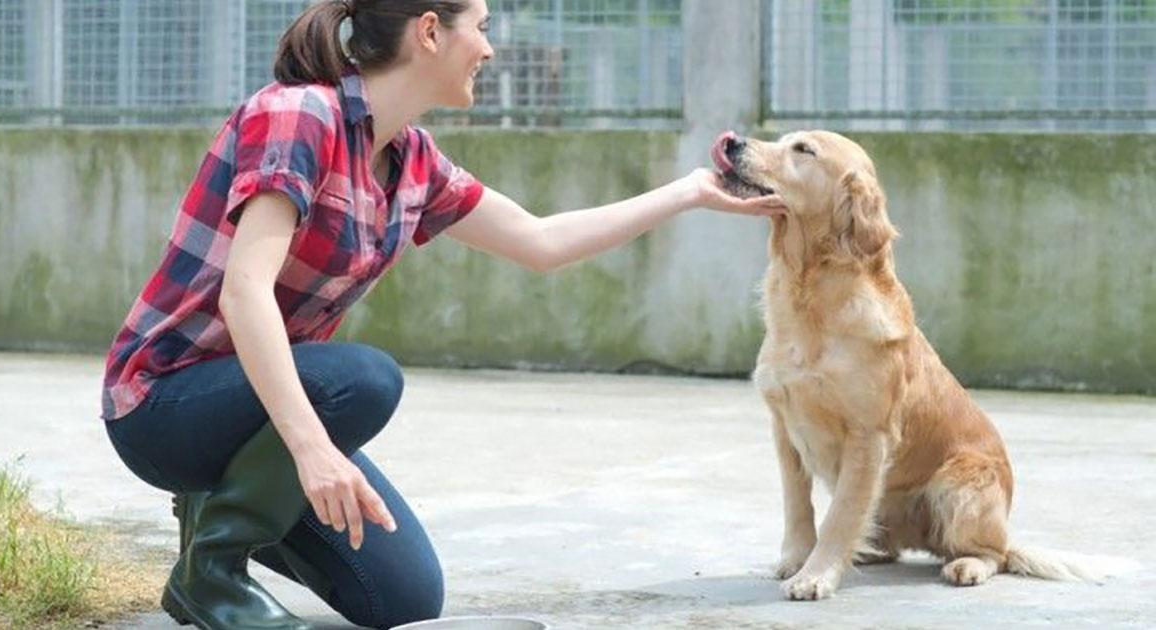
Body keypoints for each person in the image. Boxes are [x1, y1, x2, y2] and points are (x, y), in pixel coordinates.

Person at [99, 1, 785, 628]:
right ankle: (211, 574)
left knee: (401, 597)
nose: (489, 49)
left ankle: (214, 509)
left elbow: (541, 242)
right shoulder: (300, 116)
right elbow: (244, 292)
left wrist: (691, 193)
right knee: (362, 380)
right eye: (481, 27)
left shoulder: (413, 162)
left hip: (262, 406)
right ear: (430, 31)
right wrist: (313, 454)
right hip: (163, 403)